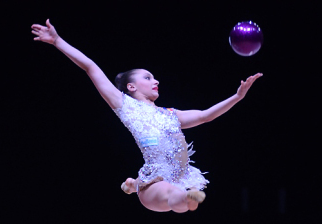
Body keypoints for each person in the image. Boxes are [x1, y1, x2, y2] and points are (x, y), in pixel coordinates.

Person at [31, 20, 262, 213]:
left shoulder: (170, 114)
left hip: (181, 177)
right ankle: (175, 196)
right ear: (131, 87)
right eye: (148, 78)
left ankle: (157, 191)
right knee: (176, 197)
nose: (156, 81)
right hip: (155, 183)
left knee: (182, 198)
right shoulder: (124, 105)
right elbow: (91, 67)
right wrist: (57, 41)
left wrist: (237, 97)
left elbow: (205, 116)